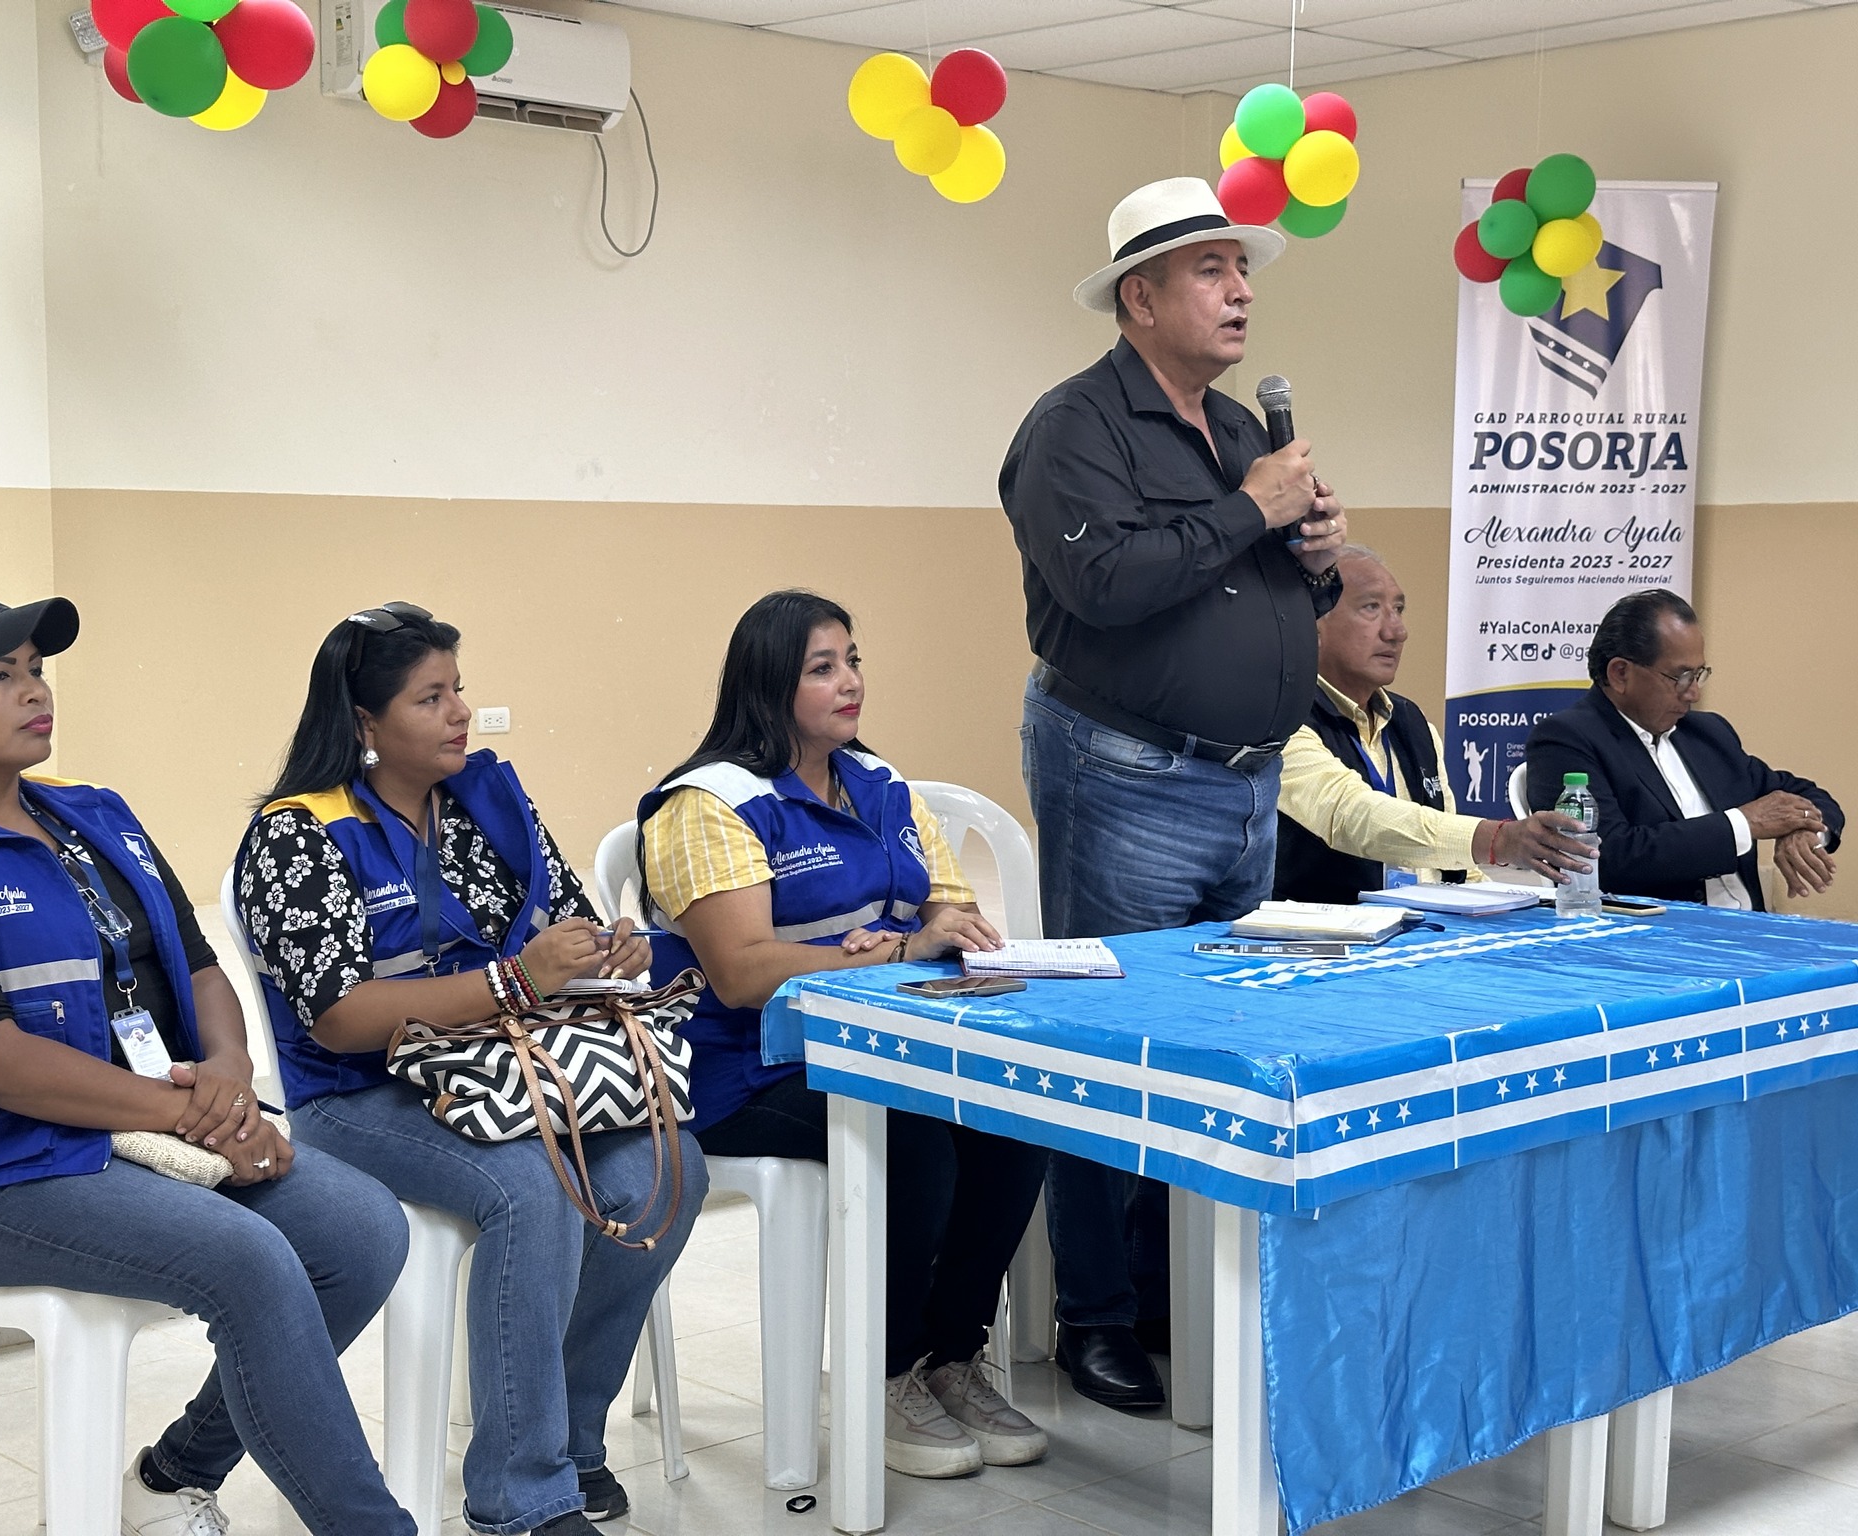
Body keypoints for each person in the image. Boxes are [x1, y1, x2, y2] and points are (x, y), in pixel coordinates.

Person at [0, 591, 415, 1536]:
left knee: (362, 1231)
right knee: (250, 1259)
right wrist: (191, 1113)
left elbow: (199, 966)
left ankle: (174, 1474)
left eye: (36, 670)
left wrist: (228, 1077)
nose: (34, 691)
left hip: (141, 1136)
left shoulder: (94, 814)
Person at [236, 601, 707, 1536]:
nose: (460, 714)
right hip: (361, 1094)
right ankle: (520, 1496)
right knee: (532, 1187)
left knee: (671, 1166)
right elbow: (339, 1018)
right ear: (364, 722)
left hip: (506, 1071)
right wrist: (515, 978)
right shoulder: (299, 835)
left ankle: (568, 1439)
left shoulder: (484, 806)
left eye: (460, 690)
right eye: (430, 698)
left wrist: (607, 948)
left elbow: (564, 926)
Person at [998, 176, 1349, 1412]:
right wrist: (1247, 510)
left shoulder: (1243, 429)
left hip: (1244, 786)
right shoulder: (1072, 428)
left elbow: (1257, 593)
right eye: (1211, 269)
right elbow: (1106, 587)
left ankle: (1172, 1293)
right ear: (1138, 298)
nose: (1240, 289)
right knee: (1114, 1040)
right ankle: (1095, 1314)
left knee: (1208, 1050)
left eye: (1241, 268)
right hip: (1123, 776)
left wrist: (1310, 560)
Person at [638, 589, 1049, 1480]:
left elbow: (952, 910)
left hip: (874, 1043)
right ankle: (885, 1372)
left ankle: (952, 1357)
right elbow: (743, 971)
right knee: (913, 1129)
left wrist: (929, 930)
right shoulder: (707, 804)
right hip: (740, 1068)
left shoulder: (879, 783)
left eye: (853, 660)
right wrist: (888, 950)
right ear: (767, 685)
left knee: (1015, 1115)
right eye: (822, 668)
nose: (851, 681)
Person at [1275, 547, 1594, 901]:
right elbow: (1348, 813)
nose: (1397, 632)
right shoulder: (1278, 719)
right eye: (1371, 608)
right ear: (1312, 622)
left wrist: (1499, 906)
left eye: (1398, 610)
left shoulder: (1413, 723)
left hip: (1428, 923)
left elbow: (1456, 867)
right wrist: (1497, 839)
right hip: (1331, 928)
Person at [1523, 588, 1842, 908]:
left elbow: (1803, 794)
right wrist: (1743, 824)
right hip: (1661, 932)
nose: (1694, 694)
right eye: (1681, 676)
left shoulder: (1707, 733)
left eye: (1698, 675)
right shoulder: (1566, 738)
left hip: (1751, 927)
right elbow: (1605, 859)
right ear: (1620, 673)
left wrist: (1803, 830)